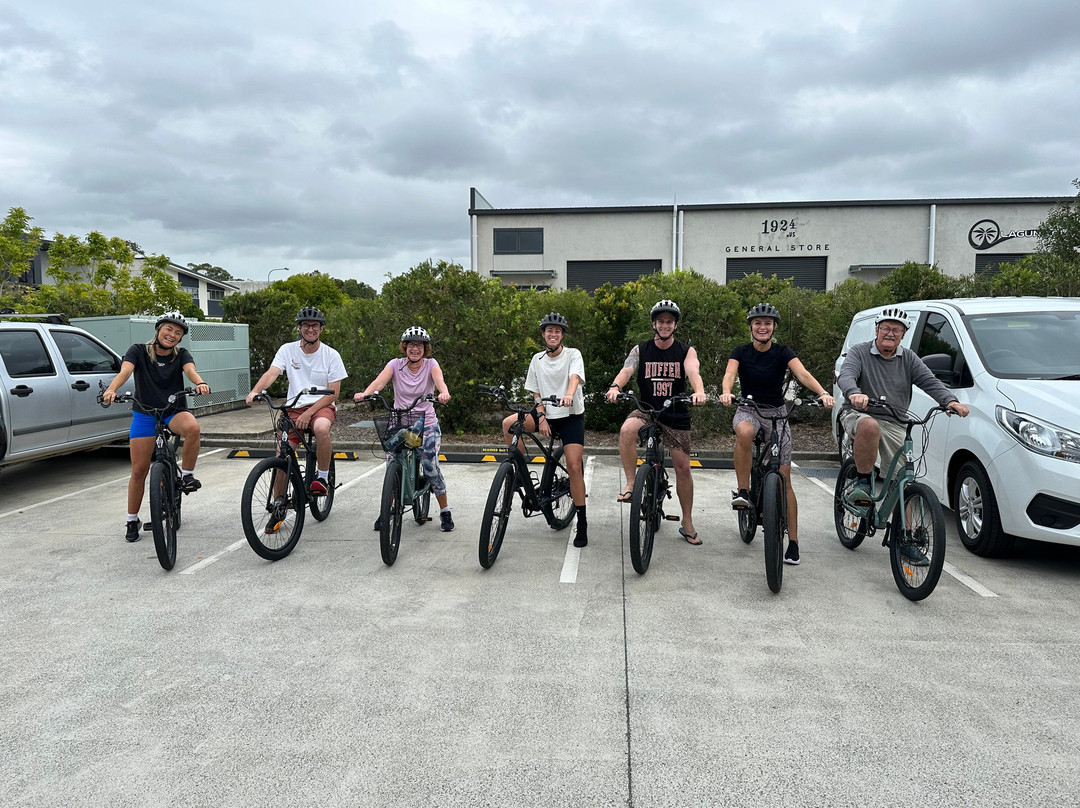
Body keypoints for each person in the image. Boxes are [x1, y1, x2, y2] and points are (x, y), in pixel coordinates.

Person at [836, 306, 969, 561]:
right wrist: (854, 392)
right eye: (885, 328)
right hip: (859, 413)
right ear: (876, 329)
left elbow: (929, 381)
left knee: (904, 481)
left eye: (896, 330)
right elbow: (847, 374)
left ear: (903, 334)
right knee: (869, 426)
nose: (890, 333)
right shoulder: (860, 352)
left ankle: (904, 538)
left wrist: (950, 401)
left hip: (895, 421)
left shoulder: (908, 358)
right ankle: (863, 482)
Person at [719, 303, 835, 565]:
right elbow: (729, 373)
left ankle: (793, 542)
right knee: (745, 431)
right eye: (758, 323)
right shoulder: (741, 351)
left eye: (768, 323)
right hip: (749, 408)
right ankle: (744, 491)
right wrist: (727, 391)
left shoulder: (783, 352)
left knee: (784, 478)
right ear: (751, 326)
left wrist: (823, 393)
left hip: (777, 413)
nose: (763, 327)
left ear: (773, 328)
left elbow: (802, 373)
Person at [604, 299, 707, 544]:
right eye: (660, 321)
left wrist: (699, 391)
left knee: (683, 467)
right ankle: (631, 483)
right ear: (654, 324)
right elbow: (627, 370)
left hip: (675, 413)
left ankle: (688, 521)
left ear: (674, 325)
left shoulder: (685, 350)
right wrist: (616, 386)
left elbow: (693, 371)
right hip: (647, 410)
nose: (664, 325)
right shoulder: (641, 349)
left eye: (669, 321)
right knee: (627, 430)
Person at [102, 312, 211, 542]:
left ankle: (188, 476)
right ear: (159, 329)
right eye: (168, 329)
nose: (172, 335)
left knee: (193, 428)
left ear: (181, 338)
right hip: (145, 414)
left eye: (178, 332)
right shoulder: (138, 350)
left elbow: (191, 371)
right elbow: (126, 371)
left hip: (173, 411)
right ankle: (132, 519)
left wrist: (199, 382)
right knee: (139, 470)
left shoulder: (181, 355)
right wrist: (112, 389)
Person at [355, 326, 455, 532]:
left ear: (425, 348)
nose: (415, 349)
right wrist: (367, 394)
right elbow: (379, 382)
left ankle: (445, 511)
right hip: (400, 424)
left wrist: (443, 393)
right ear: (405, 347)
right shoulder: (395, 364)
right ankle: (388, 509)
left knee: (431, 468)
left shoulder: (431, 364)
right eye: (411, 345)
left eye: (419, 345)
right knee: (392, 466)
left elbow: (440, 381)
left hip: (425, 425)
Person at [501, 312, 588, 547]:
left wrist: (569, 395)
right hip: (546, 414)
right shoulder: (537, 359)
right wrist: (540, 416)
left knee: (573, 466)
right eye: (549, 330)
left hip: (570, 415)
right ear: (543, 334)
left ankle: (581, 521)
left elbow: (574, 377)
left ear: (562, 336)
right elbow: (536, 391)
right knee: (510, 424)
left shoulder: (572, 354)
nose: (553, 334)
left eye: (557, 331)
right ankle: (519, 474)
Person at [245, 307, 347, 499]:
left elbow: (334, 393)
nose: (310, 329)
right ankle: (278, 503)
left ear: (321, 329)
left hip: (321, 406)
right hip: (294, 407)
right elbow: (272, 373)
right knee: (281, 454)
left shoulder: (331, 355)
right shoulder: (287, 350)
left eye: (315, 325)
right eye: (306, 325)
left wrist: (309, 413)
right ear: (299, 328)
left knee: (322, 429)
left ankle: (322, 478)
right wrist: (255, 391)